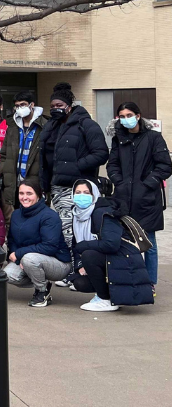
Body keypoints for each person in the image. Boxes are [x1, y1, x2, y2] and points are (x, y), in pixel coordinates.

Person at [107, 102, 171, 293]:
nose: (125, 119)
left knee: (148, 243)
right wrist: (119, 182)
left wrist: (147, 184)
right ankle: (129, 279)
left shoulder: (153, 138)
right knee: (124, 242)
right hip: (123, 198)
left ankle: (150, 282)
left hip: (147, 200)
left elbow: (165, 166)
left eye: (129, 115)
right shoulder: (118, 139)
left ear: (138, 115)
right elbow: (113, 164)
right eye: (121, 115)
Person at [39, 82, 108, 250]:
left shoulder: (86, 124)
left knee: (72, 229)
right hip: (56, 187)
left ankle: (76, 266)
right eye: (52, 106)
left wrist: (77, 166)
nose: (55, 108)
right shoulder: (50, 126)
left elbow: (101, 153)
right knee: (64, 228)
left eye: (59, 105)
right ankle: (69, 264)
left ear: (69, 107)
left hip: (78, 187)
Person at [69, 179, 153, 311]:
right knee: (80, 283)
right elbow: (75, 243)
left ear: (94, 194)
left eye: (86, 192)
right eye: (78, 192)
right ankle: (110, 294)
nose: (81, 196)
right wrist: (80, 265)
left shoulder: (103, 213)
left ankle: (105, 299)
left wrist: (84, 246)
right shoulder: (77, 215)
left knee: (89, 255)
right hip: (111, 260)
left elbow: (111, 244)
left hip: (124, 260)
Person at [4, 180, 71, 307]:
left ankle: (42, 292)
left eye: (29, 193)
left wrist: (20, 255)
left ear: (39, 195)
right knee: (7, 275)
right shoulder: (16, 214)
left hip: (59, 263)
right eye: (21, 193)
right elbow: (12, 239)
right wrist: (16, 257)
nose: (25, 197)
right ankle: (41, 281)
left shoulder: (49, 216)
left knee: (30, 259)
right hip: (28, 258)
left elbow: (50, 246)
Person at [0, 91, 47, 210]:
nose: (20, 108)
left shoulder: (44, 125)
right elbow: (4, 154)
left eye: (23, 104)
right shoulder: (12, 126)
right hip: (14, 180)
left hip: (34, 179)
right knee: (15, 217)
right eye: (17, 106)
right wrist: (4, 170)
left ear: (32, 105)